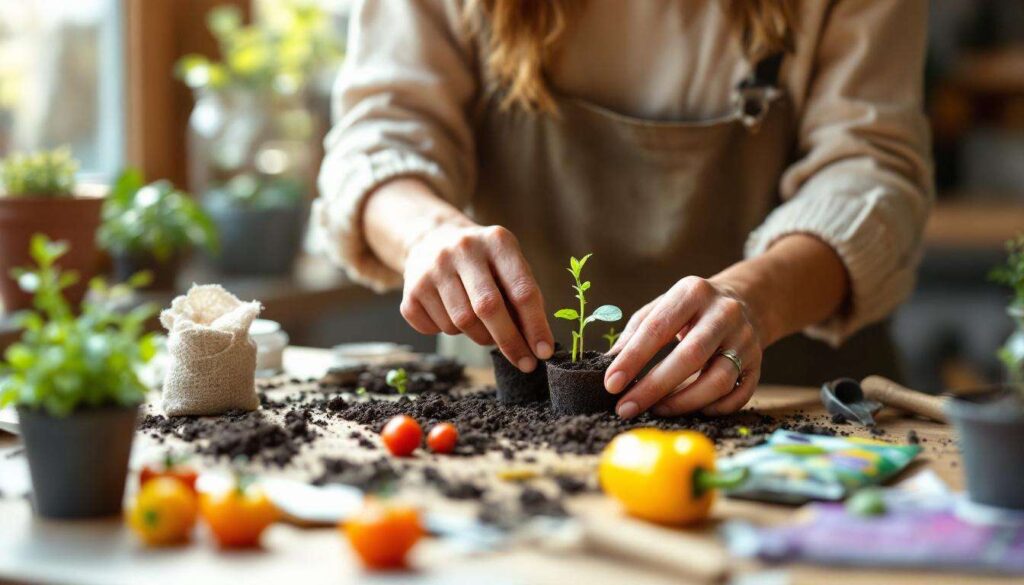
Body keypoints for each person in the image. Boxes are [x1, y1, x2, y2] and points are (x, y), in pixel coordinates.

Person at [313, 0, 933, 419]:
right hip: (526, 416)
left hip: (784, 404)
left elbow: (871, 168)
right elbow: (380, 137)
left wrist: (753, 299)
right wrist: (429, 233)